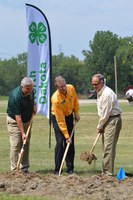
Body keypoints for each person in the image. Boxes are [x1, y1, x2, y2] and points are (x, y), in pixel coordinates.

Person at [91, 74, 122, 176]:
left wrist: (100, 126)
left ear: (102, 82)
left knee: (108, 147)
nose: (94, 86)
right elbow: (103, 113)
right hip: (107, 120)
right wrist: (102, 124)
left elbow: (106, 113)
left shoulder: (107, 94)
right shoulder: (100, 93)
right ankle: (104, 171)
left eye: (96, 84)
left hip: (112, 120)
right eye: (93, 84)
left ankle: (108, 173)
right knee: (105, 147)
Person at [6, 77, 37, 172]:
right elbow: (17, 117)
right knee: (16, 144)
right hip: (14, 122)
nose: (30, 90)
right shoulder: (15, 96)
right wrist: (23, 133)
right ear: (22, 87)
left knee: (26, 143)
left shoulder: (31, 91)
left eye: (31, 88)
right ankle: (14, 169)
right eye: (28, 88)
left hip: (27, 120)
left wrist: (34, 106)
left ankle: (24, 167)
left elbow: (32, 100)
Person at [51, 76, 80, 175]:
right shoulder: (55, 99)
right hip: (58, 119)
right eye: (61, 87)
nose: (63, 88)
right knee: (60, 142)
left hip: (69, 116)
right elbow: (60, 120)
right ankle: (57, 169)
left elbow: (75, 101)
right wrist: (66, 136)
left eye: (64, 86)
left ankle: (70, 168)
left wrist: (76, 113)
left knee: (70, 143)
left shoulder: (71, 88)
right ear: (57, 87)